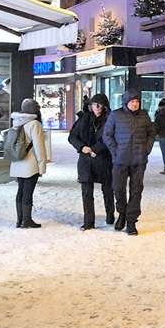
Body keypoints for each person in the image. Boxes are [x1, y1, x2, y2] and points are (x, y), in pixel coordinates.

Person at [103, 89, 156, 236]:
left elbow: (152, 133)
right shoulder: (116, 115)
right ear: (126, 102)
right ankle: (122, 214)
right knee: (118, 189)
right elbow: (107, 134)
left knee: (136, 190)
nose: (135, 104)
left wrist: (147, 148)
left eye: (137, 101)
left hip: (139, 160)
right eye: (132, 101)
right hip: (120, 160)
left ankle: (131, 221)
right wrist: (115, 150)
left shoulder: (144, 116)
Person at [67, 93, 114, 230]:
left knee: (108, 190)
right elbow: (72, 137)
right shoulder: (84, 119)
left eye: (100, 104)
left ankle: (110, 215)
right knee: (86, 191)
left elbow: (110, 137)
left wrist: (96, 149)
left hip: (104, 159)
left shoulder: (110, 120)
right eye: (94, 104)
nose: (97, 107)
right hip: (86, 160)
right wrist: (82, 147)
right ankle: (89, 221)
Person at [10, 98, 48, 229]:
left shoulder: (16, 122)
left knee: (20, 190)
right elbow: (39, 147)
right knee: (28, 192)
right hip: (30, 163)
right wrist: (42, 165)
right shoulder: (34, 124)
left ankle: (19, 220)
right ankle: (27, 221)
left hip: (18, 161)